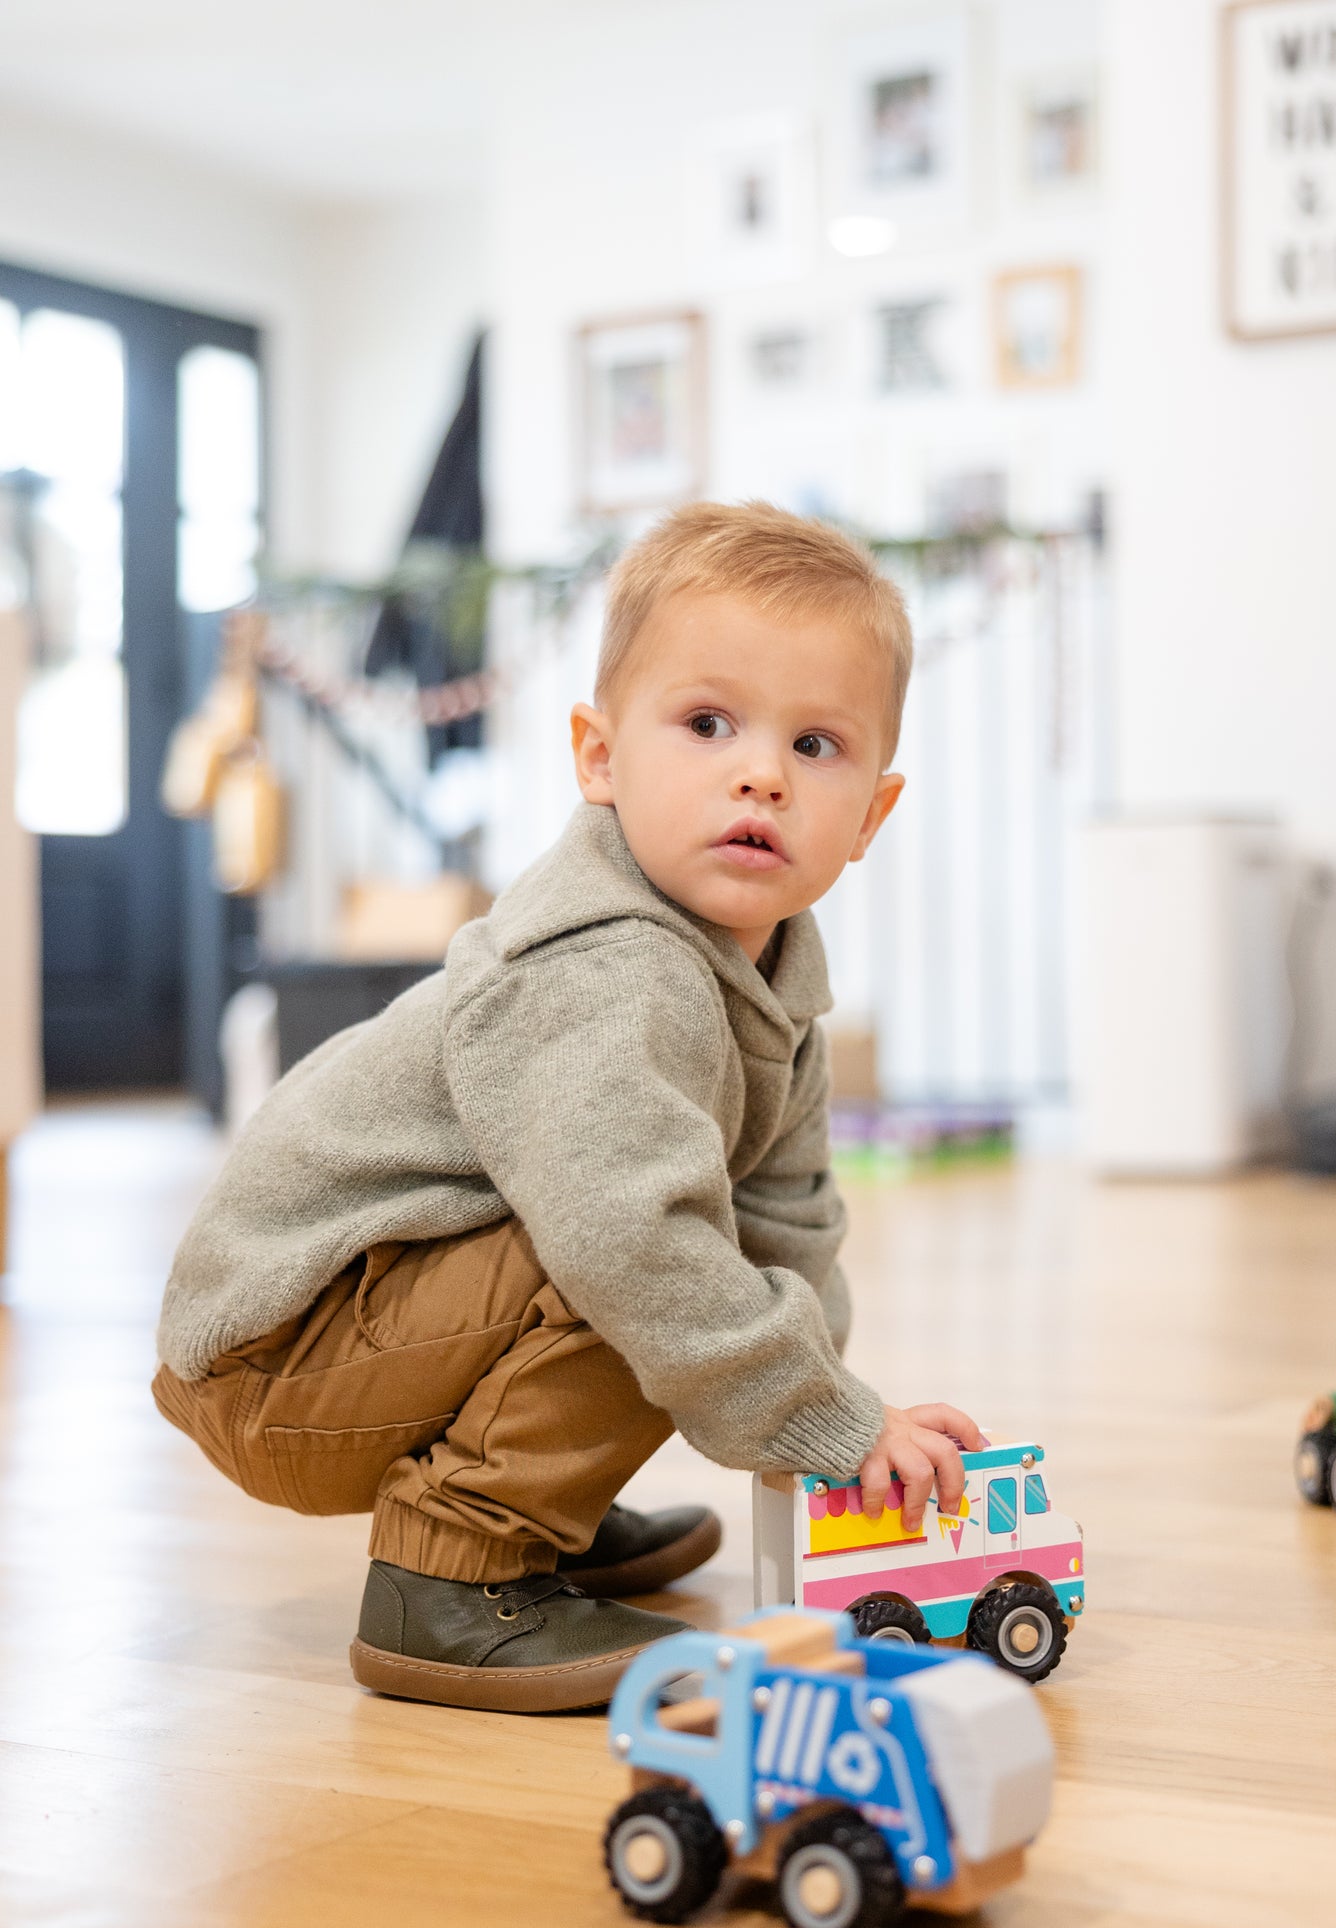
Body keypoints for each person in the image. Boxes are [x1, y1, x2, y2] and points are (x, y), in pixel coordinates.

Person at [152, 501, 981, 1713]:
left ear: (870, 813)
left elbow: (788, 1227)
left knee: (701, 1256)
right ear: (597, 757)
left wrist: (834, 1433)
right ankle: (454, 1567)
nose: (759, 769)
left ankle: (538, 1504)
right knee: (642, 1250)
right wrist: (821, 1419)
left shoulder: (772, 987)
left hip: (374, 1315)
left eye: (815, 746)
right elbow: (634, 1249)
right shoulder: (602, 966)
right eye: (706, 723)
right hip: (275, 1352)